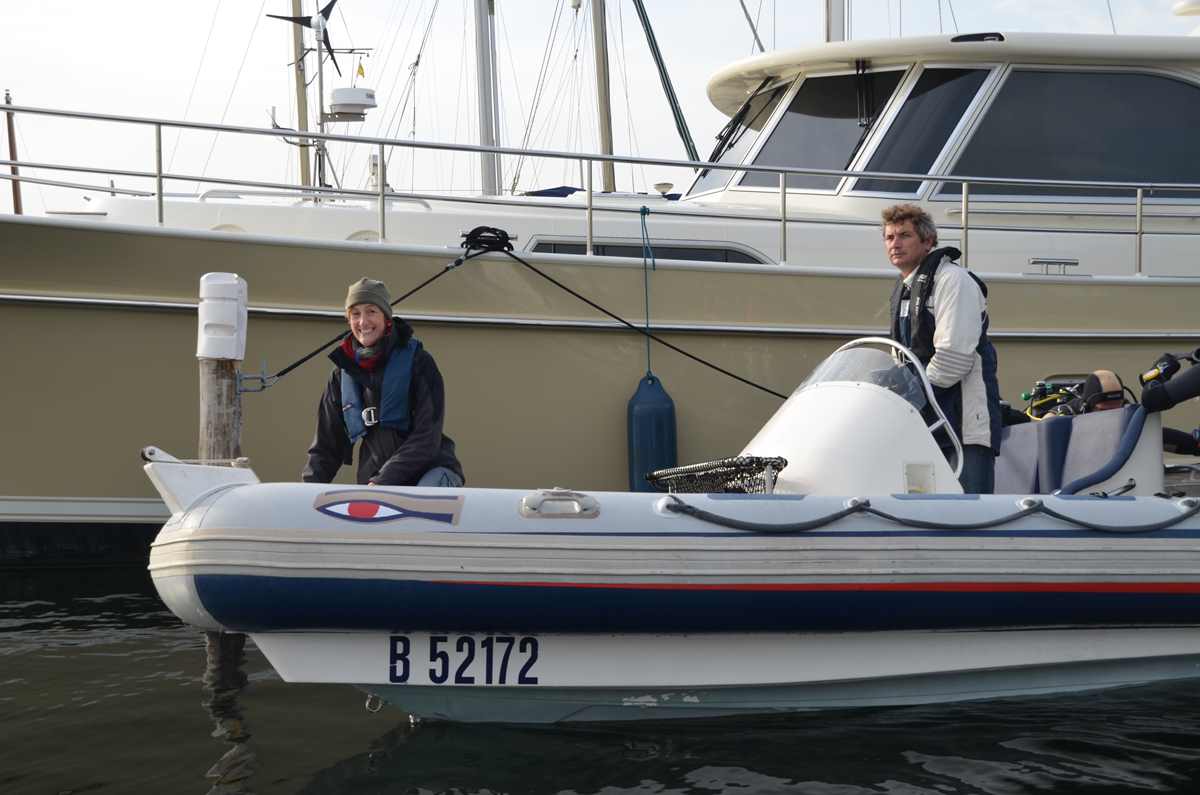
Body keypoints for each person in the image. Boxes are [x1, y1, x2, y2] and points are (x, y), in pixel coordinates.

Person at [883, 204, 1001, 493]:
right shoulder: (906, 288)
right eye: (889, 237)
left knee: (967, 508)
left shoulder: (953, 281)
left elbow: (953, 358)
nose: (895, 244)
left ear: (928, 241)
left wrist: (911, 396)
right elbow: (902, 357)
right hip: (927, 424)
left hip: (962, 426)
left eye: (904, 235)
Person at [302, 277, 464, 487]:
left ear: (387, 318)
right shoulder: (341, 375)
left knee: (421, 496)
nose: (363, 322)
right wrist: (307, 491)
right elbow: (326, 447)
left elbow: (427, 437)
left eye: (371, 311)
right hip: (375, 480)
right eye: (355, 314)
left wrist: (383, 480)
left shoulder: (419, 362)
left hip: (430, 472)